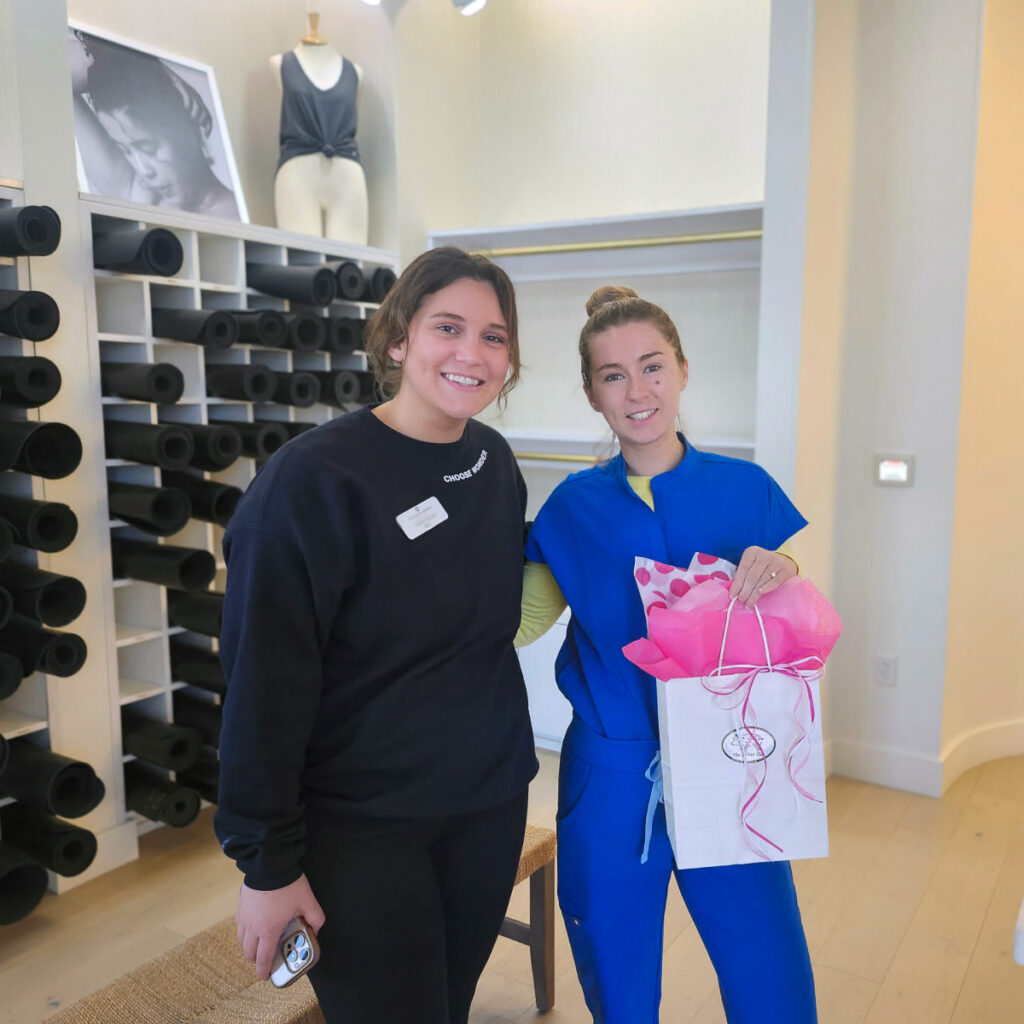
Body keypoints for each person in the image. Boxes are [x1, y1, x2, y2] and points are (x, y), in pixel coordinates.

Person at [214, 247, 538, 1023]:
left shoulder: (493, 463)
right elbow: (263, 683)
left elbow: (486, 623)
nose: (472, 354)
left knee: (446, 1009)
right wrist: (267, 867)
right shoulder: (311, 482)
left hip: (486, 807)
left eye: (494, 337)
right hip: (362, 828)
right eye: (448, 327)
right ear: (397, 339)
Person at [517, 286, 817, 1023]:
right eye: (613, 375)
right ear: (592, 394)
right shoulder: (572, 507)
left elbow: (785, 628)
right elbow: (515, 624)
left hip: (730, 758)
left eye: (652, 367)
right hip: (614, 773)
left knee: (769, 974)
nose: (637, 390)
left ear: (682, 369)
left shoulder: (745, 490)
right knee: (618, 984)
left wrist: (789, 574)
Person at [69, 31, 240, 219]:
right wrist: (158, 68)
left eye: (148, 148)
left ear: (186, 130)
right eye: (125, 150)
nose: (143, 171)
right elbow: (52, 67)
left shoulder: (239, 217)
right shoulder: (133, 191)